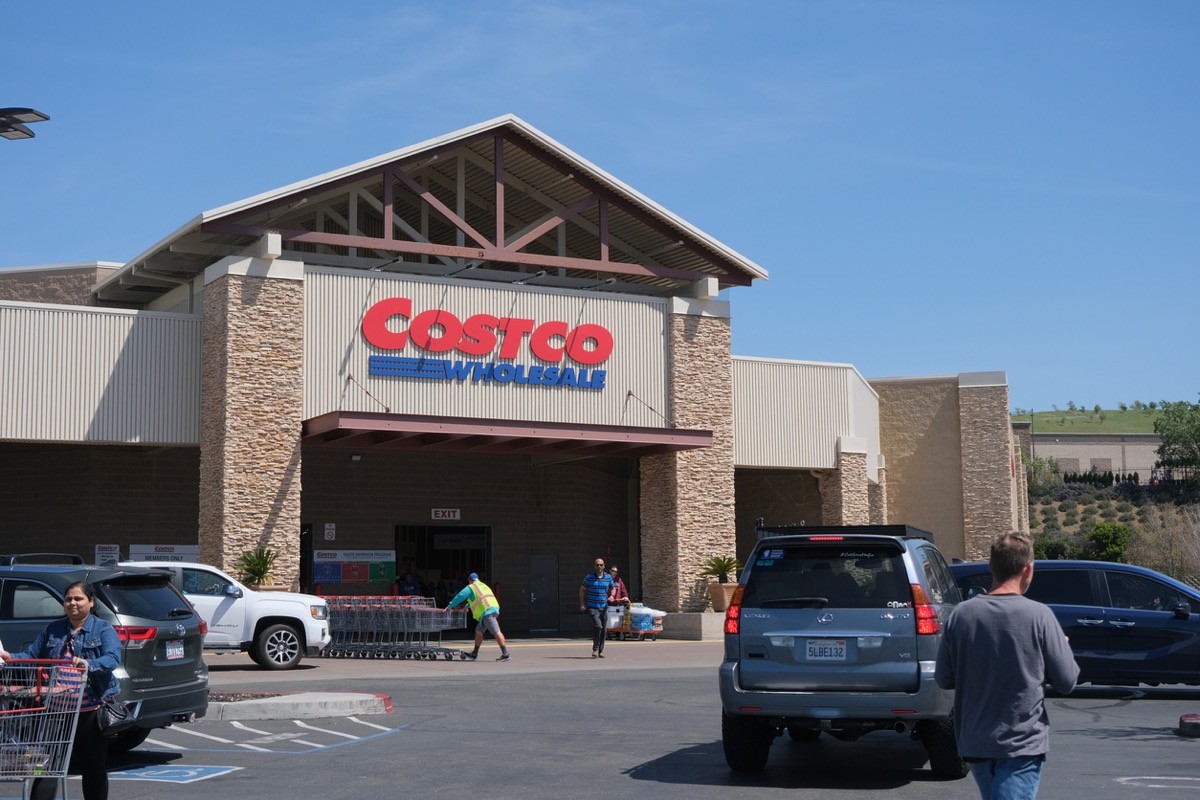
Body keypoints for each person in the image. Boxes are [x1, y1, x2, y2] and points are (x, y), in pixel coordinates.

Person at [935, 532, 1080, 800]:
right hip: (1021, 744)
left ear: (991, 567)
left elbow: (944, 678)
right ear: (1028, 569)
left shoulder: (961, 615)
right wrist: (1061, 644)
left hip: (975, 742)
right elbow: (1067, 681)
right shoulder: (1039, 615)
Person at [0, 581, 121, 800]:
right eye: (68, 599)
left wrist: (88, 664)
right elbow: (31, 655)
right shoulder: (54, 629)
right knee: (47, 766)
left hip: (90, 710)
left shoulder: (103, 629)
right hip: (57, 711)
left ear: (91, 602)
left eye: (78, 598)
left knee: (93, 767)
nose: (72, 603)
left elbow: (112, 658)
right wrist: (10, 658)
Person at [446, 572, 510, 661]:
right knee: (479, 631)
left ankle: (505, 653)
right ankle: (474, 653)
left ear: (470, 581)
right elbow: (480, 598)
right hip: (492, 609)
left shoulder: (471, 587)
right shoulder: (483, 586)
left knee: (496, 631)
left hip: (487, 612)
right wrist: (468, 605)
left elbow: (460, 596)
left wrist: (450, 606)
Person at [579, 557, 614, 658]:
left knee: (604, 630)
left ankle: (600, 651)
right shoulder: (589, 577)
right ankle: (595, 649)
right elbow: (582, 590)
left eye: (601, 565)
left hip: (604, 607)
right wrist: (582, 604)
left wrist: (612, 596)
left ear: (604, 566)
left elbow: (613, 588)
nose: (599, 567)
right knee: (598, 626)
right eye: (597, 565)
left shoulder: (608, 577)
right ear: (594, 566)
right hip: (593, 607)